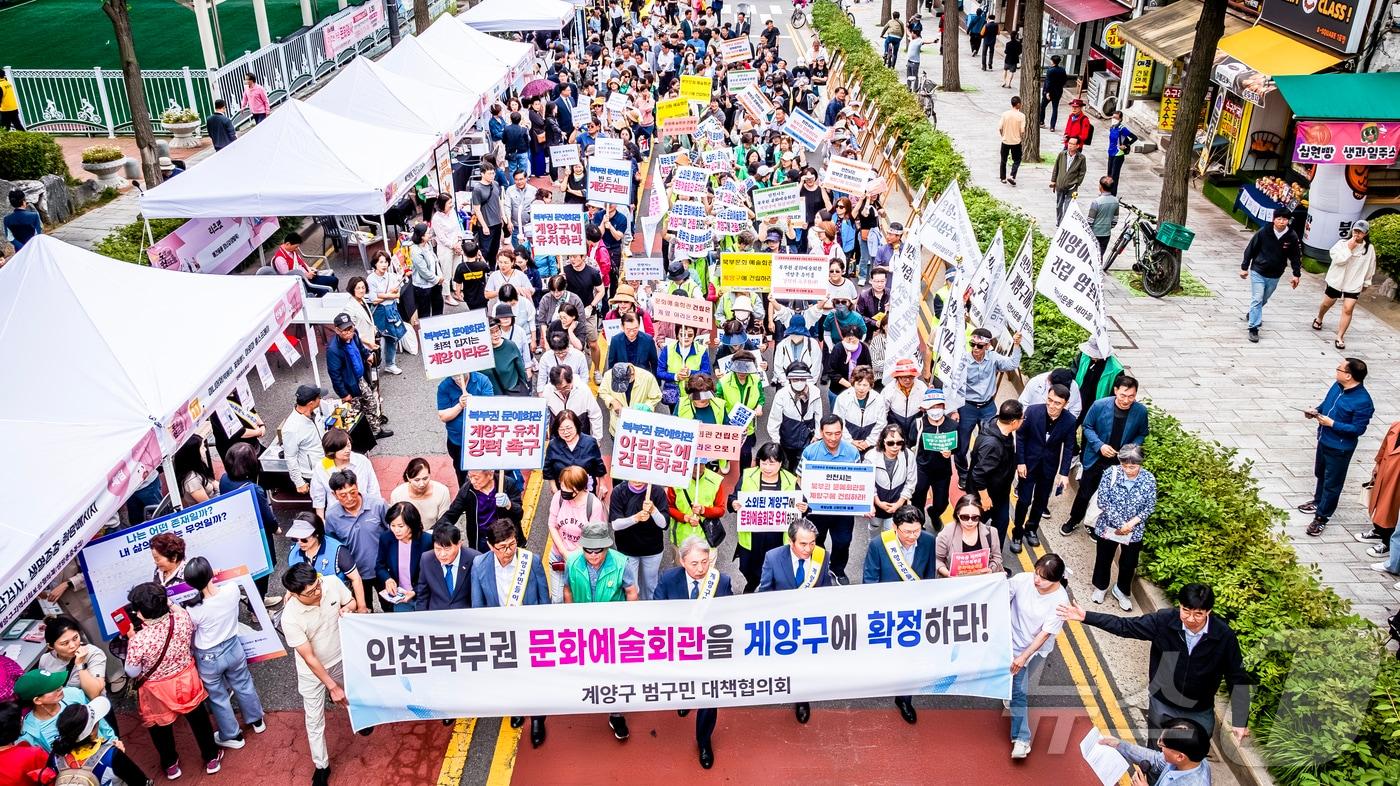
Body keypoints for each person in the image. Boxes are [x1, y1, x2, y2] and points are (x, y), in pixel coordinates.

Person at [1059, 583, 1252, 739]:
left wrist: (1240, 720)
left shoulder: (1224, 636)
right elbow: (1124, 626)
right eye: (1186, 611)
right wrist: (1087, 617)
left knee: (1191, 760)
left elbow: (1238, 677)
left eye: (1198, 614)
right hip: (1163, 702)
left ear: (1208, 611)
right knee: (1157, 753)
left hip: (1198, 710)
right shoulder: (1163, 621)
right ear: (1180, 606)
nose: (1191, 619)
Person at [123, 582, 222, 778]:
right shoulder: (182, 618)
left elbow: (132, 671)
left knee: (160, 727)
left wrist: (131, 638)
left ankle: (170, 764)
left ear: (140, 613)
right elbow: (175, 608)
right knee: (198, 719)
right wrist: (165, 600)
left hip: (156, 690)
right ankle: (211, 756)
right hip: (186, 678)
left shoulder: (139, 640)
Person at [652, 536, 734, 769]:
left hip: (709, 651)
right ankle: (685, 697)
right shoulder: (668, 579)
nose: (701, 569)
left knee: (709, 698)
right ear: (682, 561)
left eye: (705, 562)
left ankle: (704, 740)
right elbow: (657, 612)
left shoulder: (722, 581)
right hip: (680, 650)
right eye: (694, 563)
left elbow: (730, 616)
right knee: (685, 685)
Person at [280, 563, 361, 786]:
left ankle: (361, 720)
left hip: (341, 657)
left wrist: (349, 609)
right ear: (295, 595)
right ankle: (321, 765)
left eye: (317, 585)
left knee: (353, 696)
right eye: (311, 592)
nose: (318, 592)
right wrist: (331, 687)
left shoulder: (331, 583)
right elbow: (309, 657)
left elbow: (350, 601)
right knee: (314, 719)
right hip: (312, 672)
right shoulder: (290, 618)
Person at [471, 520, 550, 747]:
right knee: (508, 676)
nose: (508, 551)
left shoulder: (531, 561)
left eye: (512, 544)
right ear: (490, 546)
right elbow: (478, 606)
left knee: (534, 677)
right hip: (500, 636)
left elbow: (543, 599)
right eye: (502, 547)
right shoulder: (479, 565)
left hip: (528, 633)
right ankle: (516, 708)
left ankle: (537, 717)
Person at [562, 520, 638, 741]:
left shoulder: (622, 563)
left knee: (615, 670)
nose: (593, 556)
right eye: (588, 550)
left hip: (614, 627)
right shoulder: (573, 562)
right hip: (583, 624)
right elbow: (567, 590)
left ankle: (616, 713)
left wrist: (632, 623)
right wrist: (569, 618)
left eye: (598, 551)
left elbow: (631, 592)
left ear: (607, 548)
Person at [183, 557, 267, 749]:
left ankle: (232, 735)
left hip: (208, 656)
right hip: (233, 646)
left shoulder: (193, 609)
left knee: (217, 695)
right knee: (243, 683)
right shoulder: (231, 591)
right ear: (210, 573)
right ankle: (257, 721)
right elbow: (226, 581)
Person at [863, 505, 936, 724]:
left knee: (910, 657)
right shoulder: (879, 545)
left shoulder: (928, 541)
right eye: (907, 532)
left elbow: (929, 576)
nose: (913, 537)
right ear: (895, 527)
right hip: (885, 610)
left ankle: (904, 698)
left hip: (913, 611)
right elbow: (870, 580)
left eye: (916, 531)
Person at [758, 518, 831, 724]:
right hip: (783, 622)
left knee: (804, 662)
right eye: (803, 544)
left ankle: (802, 698)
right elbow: (766, 591)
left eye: (812, 543)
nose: (809, 549)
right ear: (791, 542)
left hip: (809, 621)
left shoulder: (822, 556)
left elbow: (826, 587)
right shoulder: (773, 557)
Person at [1061, 376, 1149, 536]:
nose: (1126, 400)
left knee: (1108, 497)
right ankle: (1073, 520)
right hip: (1095, 458)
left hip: (1119, 463)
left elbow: (1142, 433)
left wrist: (1129, 449)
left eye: (1131, 396)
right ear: (1115, 391)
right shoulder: (1099, 405)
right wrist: (1099, 445)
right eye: (1123, 395)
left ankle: (1095, 525)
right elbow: (1087, 426)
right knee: (1085, 492)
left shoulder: (1141, 411)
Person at [1302, 357, 1375, 536]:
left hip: (1340, 447)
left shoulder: (1363, 401)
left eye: (1339, 369)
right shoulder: (1337, 386)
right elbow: (1328, 404)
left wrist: (1332, 424)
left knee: (1332, 483)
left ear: (1349, 376)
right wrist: (1316, 411)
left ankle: (1321, 518)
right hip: (1324, 439)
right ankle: (1318, 501)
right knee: (1320, 473)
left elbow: (1358, 429)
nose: (1336, 371)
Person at [1007, 553, 1069, 760]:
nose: (1036, 580)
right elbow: (1000, 595)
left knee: (1018, 690)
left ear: (1056, 580)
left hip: (1032, 651)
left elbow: (1044, 635)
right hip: (1008, 641)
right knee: (1017, 690)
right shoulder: (1022, 580)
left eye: (1043, 578)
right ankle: (1021, 735)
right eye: (1036, 573)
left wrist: (1023, 657)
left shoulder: (1061, 602)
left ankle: (1021, 738)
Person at [1086, 443, 1156, 610]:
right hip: (1109, 526)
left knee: (1129, 563)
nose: (1128, 469)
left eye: (1132, 466)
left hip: (1134, 530)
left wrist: (1131, 523)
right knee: (1104, 557)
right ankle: (1101, 587)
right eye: (1125, 465)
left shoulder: (1149, 479)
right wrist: (1120, 524)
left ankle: (1122, 590)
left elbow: (1150, 505)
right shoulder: (1111, 473)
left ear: (1140, 463)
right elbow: (1103, 501)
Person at [1011, 384, 1077, 553]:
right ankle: (1017, 532)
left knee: (1041, 501)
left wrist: (1064, 473)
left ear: (1065, 404)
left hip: (1048, 467)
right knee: (1024, 500)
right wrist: (1020, 462)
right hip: (1028, 464)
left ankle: (1031, 528)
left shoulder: (1069, 421)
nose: (1052, 406)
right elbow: (1021, 436)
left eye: (1057, 403)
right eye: (1050, 400)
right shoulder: (1032, 412)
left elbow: (1069, 447)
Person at [952, 328, 1023, 481]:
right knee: (961, 445)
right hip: (967, 407)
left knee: (993, 440)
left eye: (979, 346)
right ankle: (963, 475)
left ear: (987, 346)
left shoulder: (993, 358)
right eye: (973, 344)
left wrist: (1016, 345)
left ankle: (981, 472)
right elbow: (953, 384)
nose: (975, 349)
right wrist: (954, 409)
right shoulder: (962, 360)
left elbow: (1012, 363)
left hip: (988, 407)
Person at [801, 416, 862, 584]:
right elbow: (800, 477)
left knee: (843, 541)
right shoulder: (810, 452)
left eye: (837, 433)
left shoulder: (852, 452)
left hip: (843, 510)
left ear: (842, 432)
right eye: (828, 434)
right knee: (816, 540)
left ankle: (837, 569)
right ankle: (818, 568)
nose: (833, 438)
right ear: (821, 432)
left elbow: (860, 479)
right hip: (816, 510)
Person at [324, 469, 389, 610]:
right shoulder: (331, 516)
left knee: (390, 608)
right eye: (343, 495)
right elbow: (333, 547)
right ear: (334, 495)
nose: (349, 498)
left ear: (357, 486)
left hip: (383, 570)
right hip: (355, 575)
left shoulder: (378, 505)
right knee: (364, 609)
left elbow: (393, 533)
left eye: (352, 492)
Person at [13, 668, 115, 754]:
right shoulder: (30, 733)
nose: (60, 688)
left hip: (106, 752)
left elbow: (100, 721)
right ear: (37, 700)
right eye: (52, 688)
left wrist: (113, 742)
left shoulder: (73, 694)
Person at [1239, 208, 1302, 343]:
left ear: (1288, 221)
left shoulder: (1292, 236)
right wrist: (1244, 267)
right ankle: (1253, 328)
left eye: (1284, 219)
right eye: (1279, 219)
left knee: (1264, 298)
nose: (1281, 222)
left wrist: (1296, 274)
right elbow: (1251, 248)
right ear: (1274, 219)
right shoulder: (1264, 232)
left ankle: (1253, 313)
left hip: (1275, 274)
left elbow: (1295, 256)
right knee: (1257, 298)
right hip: (1258, 270)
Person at [965, 399, 1023, 544]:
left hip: (1000, 493)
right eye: (1022, 418)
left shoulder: (999, 427)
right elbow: (978, 475)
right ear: (1014, 422)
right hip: (985, 496)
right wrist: (984, 498)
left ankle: (995, 561)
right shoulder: (992, 445)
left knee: (1001, 523)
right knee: (974, 526)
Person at [326, 313, 392, 438]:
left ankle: (376, 431)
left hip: (361, 379)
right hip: (349, 385)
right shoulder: (333, 350)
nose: (349, 332)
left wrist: (368, 355)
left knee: (371, 404)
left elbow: (361, 349)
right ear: (337, 330)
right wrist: (344, 394)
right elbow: (335, 375)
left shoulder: (354, 334)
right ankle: (357, 440)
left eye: (350, 328)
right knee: (354, 414)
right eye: (345, 330)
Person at [285, 514, 367, 613]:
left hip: (337, 601)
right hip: (311, 602)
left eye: (304, 539)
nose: (299, 543)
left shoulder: (338, 552)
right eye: (295, 539)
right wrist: (289, 591)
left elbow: (356, 579)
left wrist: (362, 607)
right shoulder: (294, 553)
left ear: (317, 534)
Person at [1314, 220, 1376, 349]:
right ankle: (1319, 318)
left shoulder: (1369, 248)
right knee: (1327, 303)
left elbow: (1371, 265)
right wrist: (1349, 248)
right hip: (1337, 281)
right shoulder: (1342, 244)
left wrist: (1366, 282)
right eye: (1355, 231)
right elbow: (1338, 260)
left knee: (1348, 308)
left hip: (1354, 282)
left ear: (1366, 234)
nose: (1357, 234)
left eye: (1360, 232)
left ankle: (1340, 337)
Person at [1096, 718, 1213, 786]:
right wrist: (1119, 745)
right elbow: (1156, 760)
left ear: (1180, 757)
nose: (1160, 747)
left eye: (1162, 745)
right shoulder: (1193, 758)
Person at [609, 478, 669, 601]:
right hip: (627, 549)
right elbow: (615, 524)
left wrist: (654, 510)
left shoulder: (657, 491)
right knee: (632, 588)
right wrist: (635, 518)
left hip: (653, 549)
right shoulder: (619, 491)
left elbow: (663, 524)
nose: (638, 481)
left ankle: (650, 615)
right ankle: (634, 617)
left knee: (651, 586)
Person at [438, 469, 525, 552]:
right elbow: (451, 514)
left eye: (476, 478)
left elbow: (519, 514)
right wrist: (435, 530)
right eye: (469, 477)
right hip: (482, 541)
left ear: (490, 475)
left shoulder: (507, 484)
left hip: (506, 538)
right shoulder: (467, 490)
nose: (472, 481)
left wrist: (509, 505)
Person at [436, 371, 495, 490]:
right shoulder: (444, 386)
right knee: (462, 473)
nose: (458, 377)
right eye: (455, 375)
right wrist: (460, 405)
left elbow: (491, 409)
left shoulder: (482, 380)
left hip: (481, 439)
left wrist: (474, 403)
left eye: (461, 374)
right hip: (458, 441)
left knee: (485, 472)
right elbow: (443, 416)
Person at [309, 427, 378, 520]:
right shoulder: (321, 467)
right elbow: (318, 496)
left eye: (348, 445)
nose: (347, 450)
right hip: (337, 517)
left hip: (364, 512)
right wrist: (321, 520)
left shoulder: (362, 461)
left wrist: (375, 513)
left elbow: (373, 489)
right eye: (342, 448)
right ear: (331, 451)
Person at [375, 502, 433, 612]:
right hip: (400, 597)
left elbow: (432, 573)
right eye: (392, 525)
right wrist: (387, 579)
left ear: (412, 524)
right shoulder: (386, 539)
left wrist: (415, 591)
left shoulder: (427, 541)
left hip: (423, 595)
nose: (396, 530)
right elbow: (380, 566)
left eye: (401, 526)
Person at [912, 390, 957, 528]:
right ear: (925, 408)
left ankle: (934, 513)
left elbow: (958, 447)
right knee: (918, 499)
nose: (935, 410)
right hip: (922, 468)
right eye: (932, 407)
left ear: (944, 407)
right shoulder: (918, 424)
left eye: (938, 406)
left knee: (942, 503)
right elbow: (911, 444)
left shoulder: (952, 425)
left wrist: (950, 452)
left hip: (942, 471)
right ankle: (920, 523)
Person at [767, 362, 823, 472]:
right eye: (795, 379)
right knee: (786, 465)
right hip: (788, 434)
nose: (799, 382)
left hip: (807, 435)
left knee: (802, 466)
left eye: (802, 379)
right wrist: (776, 441)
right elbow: (774, 419)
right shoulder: (782, 394)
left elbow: (818, 415)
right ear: (789, 380)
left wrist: (817, 435)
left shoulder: (815, 392)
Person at [414, 523, 480, 611]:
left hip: (465, 616)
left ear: (459, 544)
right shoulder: (427, 559)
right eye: (438, 549)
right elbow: (422, 595)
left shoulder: (474, 558)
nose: (442, 554)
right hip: (436, 616)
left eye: (447, 549)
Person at [866, 424, 917, 533]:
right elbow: (867, 482)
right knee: (874, 528)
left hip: (898, 502)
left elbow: (911, 482)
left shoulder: (909, 456)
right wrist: (878, 502)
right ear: (883, 441)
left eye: (899, 443)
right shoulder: (871, 457)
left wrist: (898, 504)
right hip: (876, 501)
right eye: (890, 443)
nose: (895, 446)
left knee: (891, 532)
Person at [936, 494, 1003, 577]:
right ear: (957, 514)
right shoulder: (947, 533)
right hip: (956, 583)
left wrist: (991, 569)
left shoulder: (991, 532)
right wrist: (948, 574)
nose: (970, 521)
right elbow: (937, 559)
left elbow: (997, 557)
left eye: (975, 518)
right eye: (965, 517)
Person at [1362, 418, 1400, 563]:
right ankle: (1379, 531)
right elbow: (1384, 446)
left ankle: (1387, 542)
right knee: (1378, 501)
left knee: (1390, 508)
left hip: (1396, 477)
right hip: (1385, 471)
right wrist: (1377, 464)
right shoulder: (1396, 425)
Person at [543, 411, 608, 491]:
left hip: (586, 490)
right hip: (563, 492)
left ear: (576, 426)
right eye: (561, 429)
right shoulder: (553, 445)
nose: (565, 432)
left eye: (569, 428)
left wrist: (602, 485)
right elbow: (548, 469)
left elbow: (599, 466)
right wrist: (554, 488)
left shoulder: (590, 442)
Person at [390, 457, 451, 524]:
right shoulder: (397, 495)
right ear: (408, 477)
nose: (422, 484)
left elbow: (444, 521)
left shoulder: (442, 491)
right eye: (417, 480)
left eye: (425, 478)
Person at [273, 232, 338, 292]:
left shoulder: (291, 250)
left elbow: (300, 263)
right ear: (287, 244)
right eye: (296, 247)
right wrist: (306, 276)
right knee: (325, 291)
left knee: (334, 280)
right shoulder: (280, 259)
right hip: (302, 283)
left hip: (309, 276)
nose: (297, 249)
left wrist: (310, 270)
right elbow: (288, 278)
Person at [605, 311, 660, 377]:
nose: (631, 333)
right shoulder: (615, 340)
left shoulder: (648, 340)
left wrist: (656, 382)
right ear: (622, 327)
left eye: (635, 329)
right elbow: (611, 364)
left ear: (639, 325)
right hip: (623, 379)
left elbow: (654, 363)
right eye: (628, 329)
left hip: (642, 379)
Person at [1019, 366, 1083, 420]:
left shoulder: (1073, 386)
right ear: (1050, 383)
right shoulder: (1036, 382)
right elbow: (1022, 404)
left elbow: (1075, 409)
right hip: (1032, 420)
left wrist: (1064, 424)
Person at [1050, 136, 1087, 224]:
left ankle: (1065, 223)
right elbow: (1056, 167)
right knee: (1059, 205)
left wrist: (1077, 183)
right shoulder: (1062, 154)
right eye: (1069, 143)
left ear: (1077, 146)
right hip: (1060, 184)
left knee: (1068, 206)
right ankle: (1059, 222)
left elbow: (1082, 172)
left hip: (1072, 186)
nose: (1070, 146)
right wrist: (1053, 180)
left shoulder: (1081, 158)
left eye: (1072, 144)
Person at [1105, 111, 1136, 195]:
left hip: (1118, 154)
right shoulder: (1112, 127)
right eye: (1113, 117)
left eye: (1116, 118)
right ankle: (1107, 192)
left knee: (1114, 176)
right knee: (1109, 174)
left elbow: (1134, 137)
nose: (1113, 119)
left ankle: (1113, 194)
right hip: (1111, 152)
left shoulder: (1122, 129)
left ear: (1120, 119)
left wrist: (1125, 145)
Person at [1088, 176, 1120, 256]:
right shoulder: (1115, 201)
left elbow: (1090, 221)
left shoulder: (1096, 202)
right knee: (1100, 255)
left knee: (1092, 255)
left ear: (1101, 187)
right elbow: (1115, 220)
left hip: (1095, 233)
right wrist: (1108, 227)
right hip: (1106, 233)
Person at [997, 96, 1025, 186]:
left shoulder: (1005, 114)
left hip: (1005, 140)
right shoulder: (1021, 116)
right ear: (1018, 104)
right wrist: (1020, 136)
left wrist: (1003, 135)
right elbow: (1022, 130)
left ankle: (1003, 178)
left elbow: (1000, 127)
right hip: (1016, 141)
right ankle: (1012, 175)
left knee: (1003, 160)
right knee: (1017, 160)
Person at [1041, 55, 1068, 130]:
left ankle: (1041, 121)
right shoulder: (1062, 70)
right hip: (1058, 91)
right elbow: (1065, 80)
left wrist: (1047, 92)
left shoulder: (1050, 70)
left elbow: (1049, 83)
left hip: (1050, 91)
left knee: (1043, 106)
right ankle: (1052, 126)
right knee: (1055, 108)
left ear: (1052, 61)